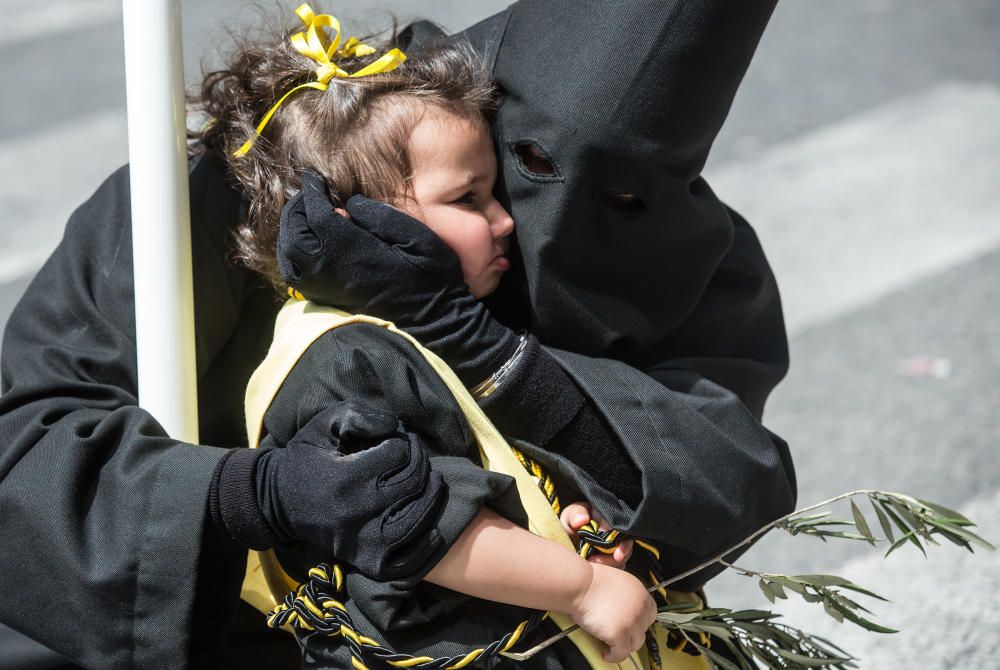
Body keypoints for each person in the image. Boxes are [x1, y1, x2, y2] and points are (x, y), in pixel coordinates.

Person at [0, 1, 794, 668]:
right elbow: (26, 454)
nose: (522, 222)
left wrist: (490, 358)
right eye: (534, 166)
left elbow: (721, 480)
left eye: (625, 196)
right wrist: (259, 495)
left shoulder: (669, 232)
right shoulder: (220, 197)